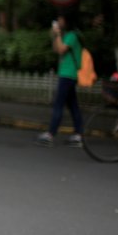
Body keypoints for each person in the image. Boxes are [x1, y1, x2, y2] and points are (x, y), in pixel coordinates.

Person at [35, 12, 85, 147]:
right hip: (67, 74)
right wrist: (55, 35)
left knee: (58, 104)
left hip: (68, 75)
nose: (58, 21)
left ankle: (50, 134)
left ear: (67, 21)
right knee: (73, 105)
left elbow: (62, 50)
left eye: (60, 19)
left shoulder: (72, 36)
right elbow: (56, 49)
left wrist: (57, 34)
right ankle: (78, 135)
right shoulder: (67, 35)